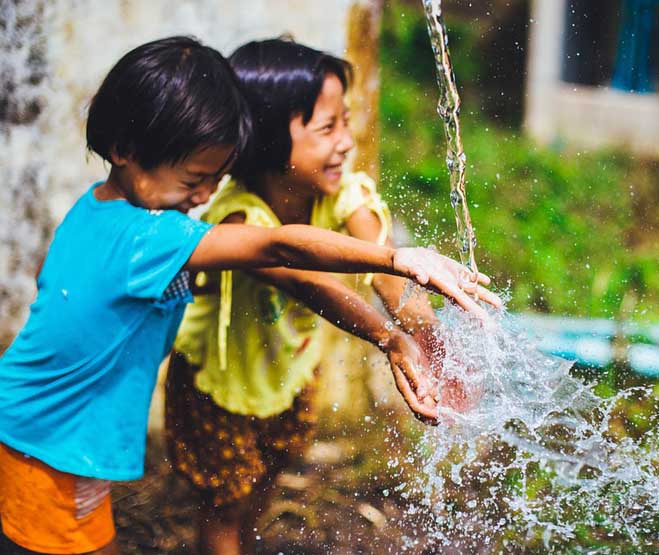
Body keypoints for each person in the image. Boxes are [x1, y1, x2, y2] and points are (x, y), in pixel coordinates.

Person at [0, 36, 496, 555]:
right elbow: (280, 247)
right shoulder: (149, 236)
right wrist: (396, 259)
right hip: (52, 439)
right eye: (194, 179)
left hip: (44, 424)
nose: (203, 198)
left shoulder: (99, 210)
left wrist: (406, 329)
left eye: (214, 180)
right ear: (124, 151)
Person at [164, 38, 492, 555]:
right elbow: (308, 282)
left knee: (267, 478)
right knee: (224, 504)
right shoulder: (237, 215)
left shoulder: (341, 193)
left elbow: (384, 265)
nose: (346, 140)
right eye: (327, 127)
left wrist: (427, 335)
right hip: (218, 383)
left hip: (291, 370)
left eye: (346, 121)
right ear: (269, 140)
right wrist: (388, 337)